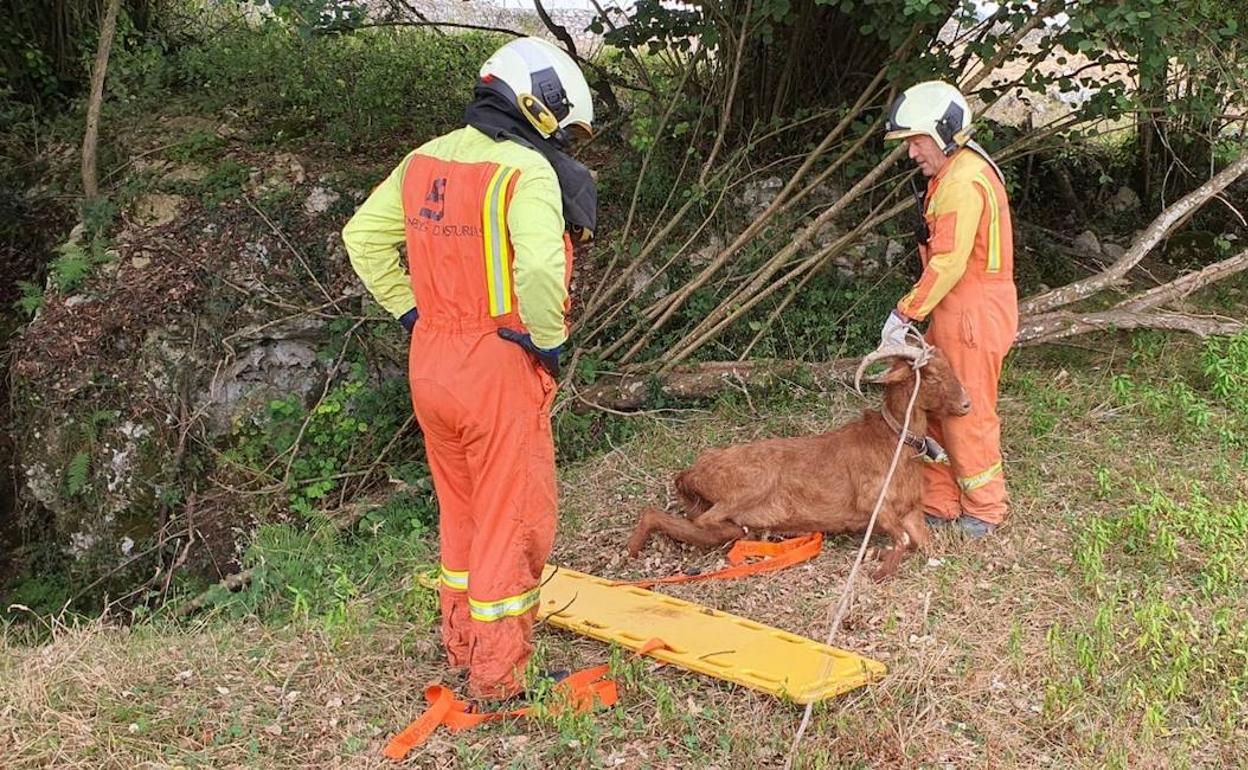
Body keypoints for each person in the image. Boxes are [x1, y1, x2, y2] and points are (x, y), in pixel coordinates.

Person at [341, 36, 597, 701]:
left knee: (462, 513)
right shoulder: (525, 170)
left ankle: (463, 644)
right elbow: (540, 268)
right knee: (512, 519)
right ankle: (500, 675)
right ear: (542, 103)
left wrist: (409, 314)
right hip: (497, 362)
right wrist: (547, 341)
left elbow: (362, 238)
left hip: (431, 362)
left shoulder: (423, 159)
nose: (565, 140)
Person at [879, 81, 1018, 538]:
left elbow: (949, 262)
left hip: (972, 309)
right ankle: (941, 500)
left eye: (916, 141)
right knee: (933, 402)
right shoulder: (952, 174)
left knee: (966, 409)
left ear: (944, 132)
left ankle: (984, 507)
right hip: (955, 307)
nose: (911, 153)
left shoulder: (962, 181)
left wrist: (905, 313)